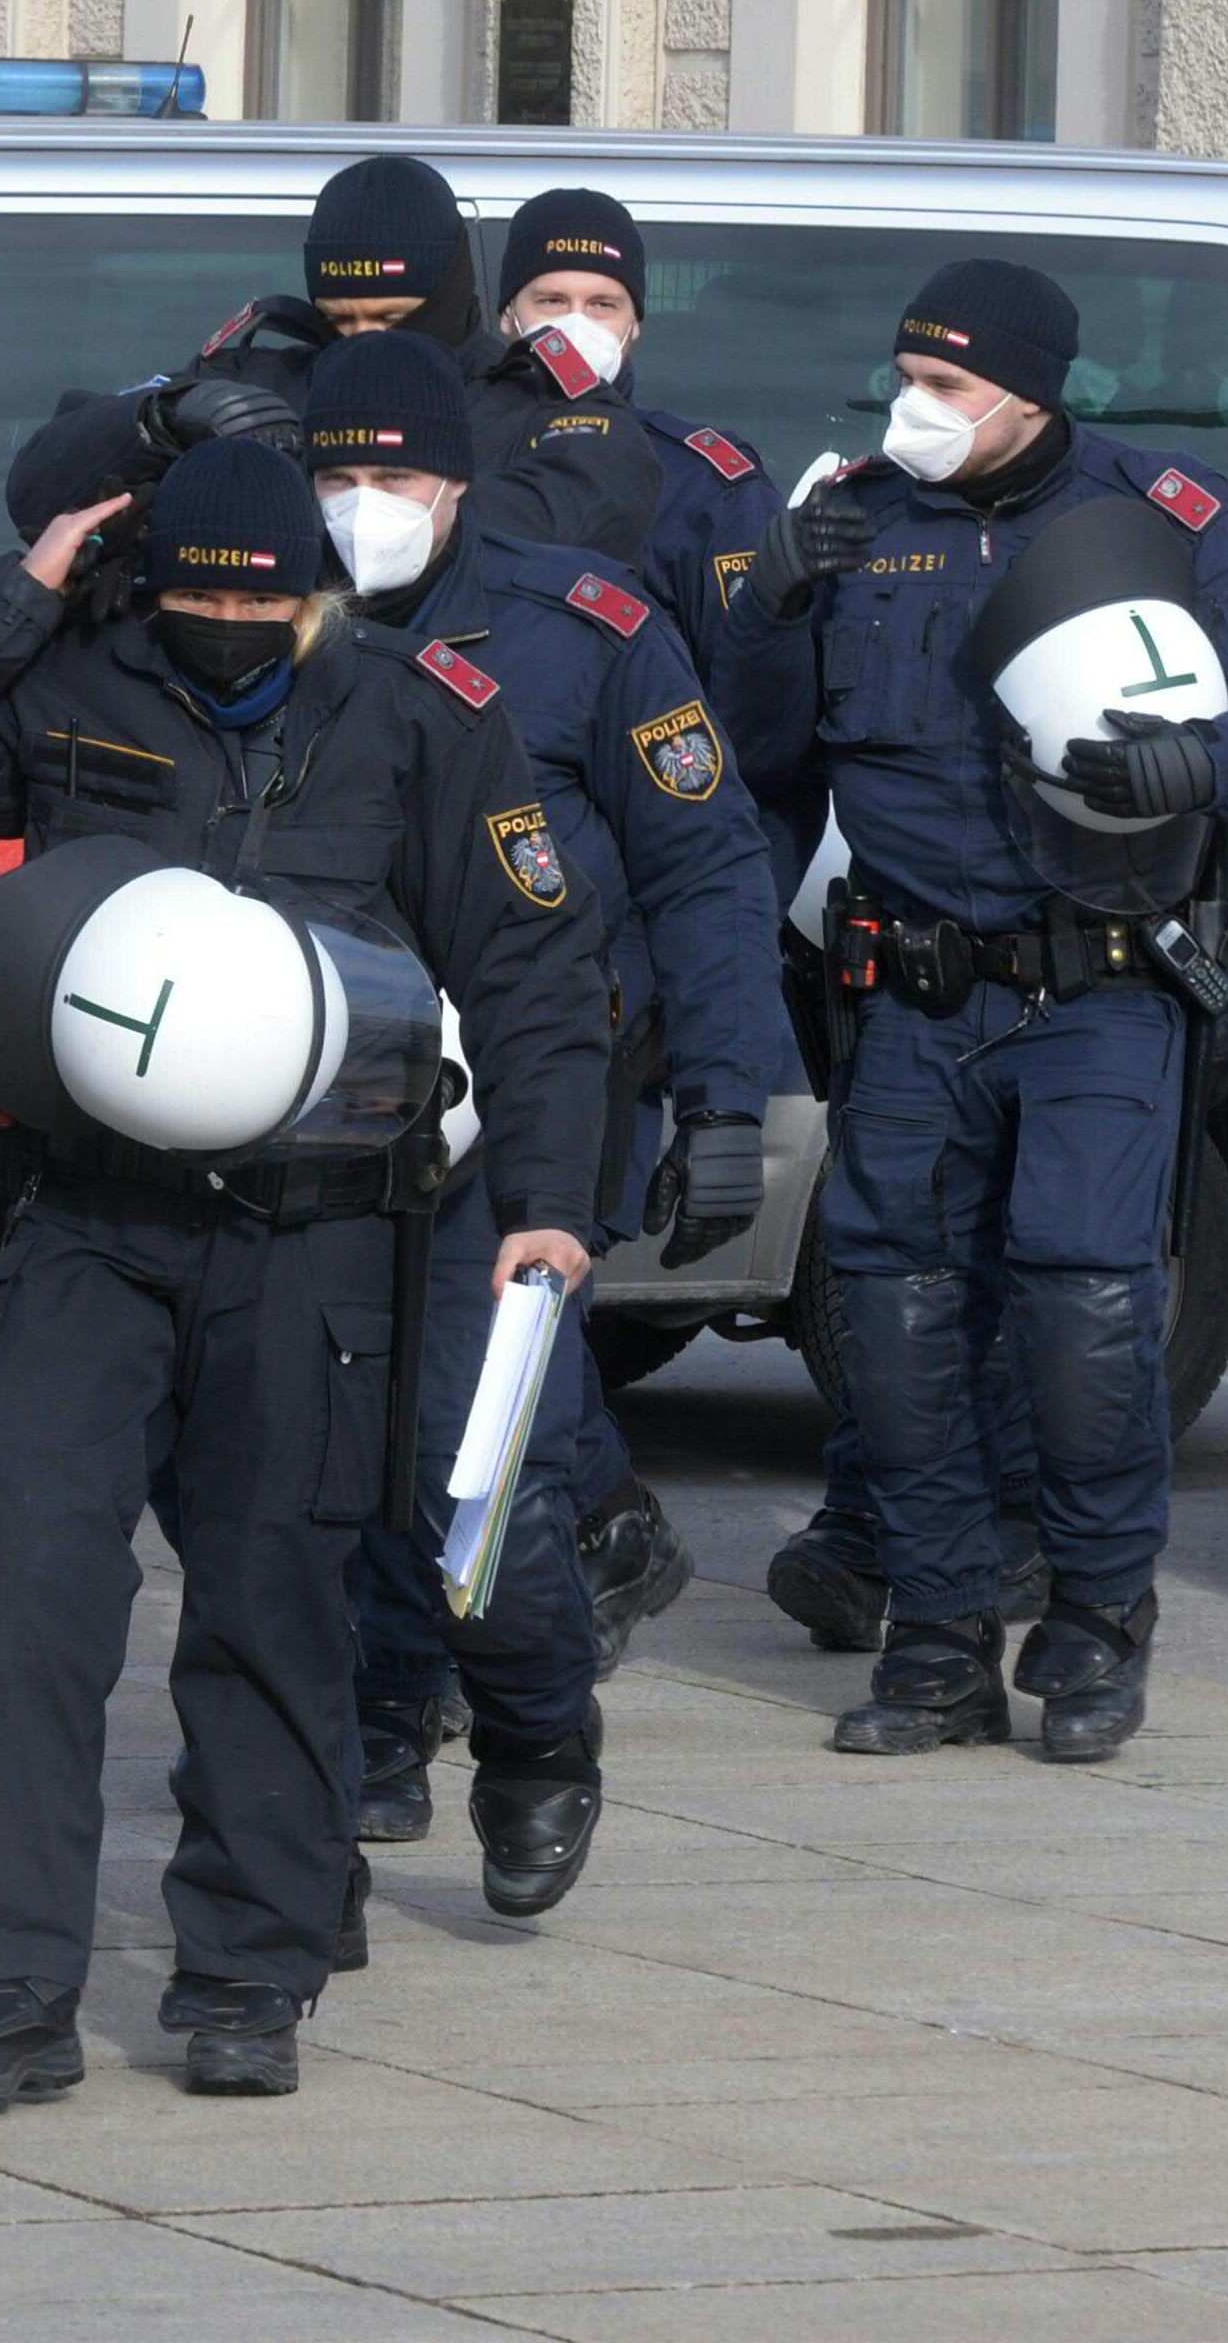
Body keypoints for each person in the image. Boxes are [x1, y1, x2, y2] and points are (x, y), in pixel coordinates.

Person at [0, 435, 614, 2110]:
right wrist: (25, 584)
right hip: (88, 1214)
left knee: (276, 1595)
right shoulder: (65, 681)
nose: (231, 625)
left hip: (319, 1219)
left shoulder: (423, 716)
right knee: (22, 1571)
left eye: (266, 602)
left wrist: (549, 1198)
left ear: (319, 596)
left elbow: (536, 964)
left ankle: (249, 1963)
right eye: (195, 594)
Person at [716, 257, 1228, 1762]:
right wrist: (767, 601)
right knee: (890, 1313)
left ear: (1028, 391)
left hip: (1100, 985)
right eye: (903, 380)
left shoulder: (1161, 513)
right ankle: (935, 1638)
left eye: (945, 387)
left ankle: (1091, 1619)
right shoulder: (854, 522)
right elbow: (756, 763)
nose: (911, 410)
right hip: (910, 991)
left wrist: (1197, 768)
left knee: (1083, 1306)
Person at [299, 333, 780, 1910]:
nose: (363, 507)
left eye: (395, 477)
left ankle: (529, 1730)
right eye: (335, 475)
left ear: (458, 482)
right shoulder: (256, 626)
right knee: (328, 1438)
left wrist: (725, 1096)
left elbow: (705, 868)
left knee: (474, 1447)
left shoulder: (584, 626)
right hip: (313, 1109)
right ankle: (377, 1716)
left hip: (530, 1103)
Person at [476, 185, 780, 1649]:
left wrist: (707, 1005)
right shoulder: (448, 466)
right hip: (492, 931)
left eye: (599, 305)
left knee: (534, 1265)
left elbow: (743, 750)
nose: (570, 330)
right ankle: (592, 1524)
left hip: (619, 947)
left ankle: (565, 1548)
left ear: (640, 322)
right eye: (545, 301)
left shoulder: (700, 479)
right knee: (503, 1285)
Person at [4, 154, 661, 571]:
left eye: (394, 320)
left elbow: (567, 526)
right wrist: (163, 419)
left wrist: (247, 509)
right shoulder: (260, 379)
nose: (364, 340)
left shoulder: (543, 404)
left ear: (451, 296)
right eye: (341, 319)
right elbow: (39, 494)